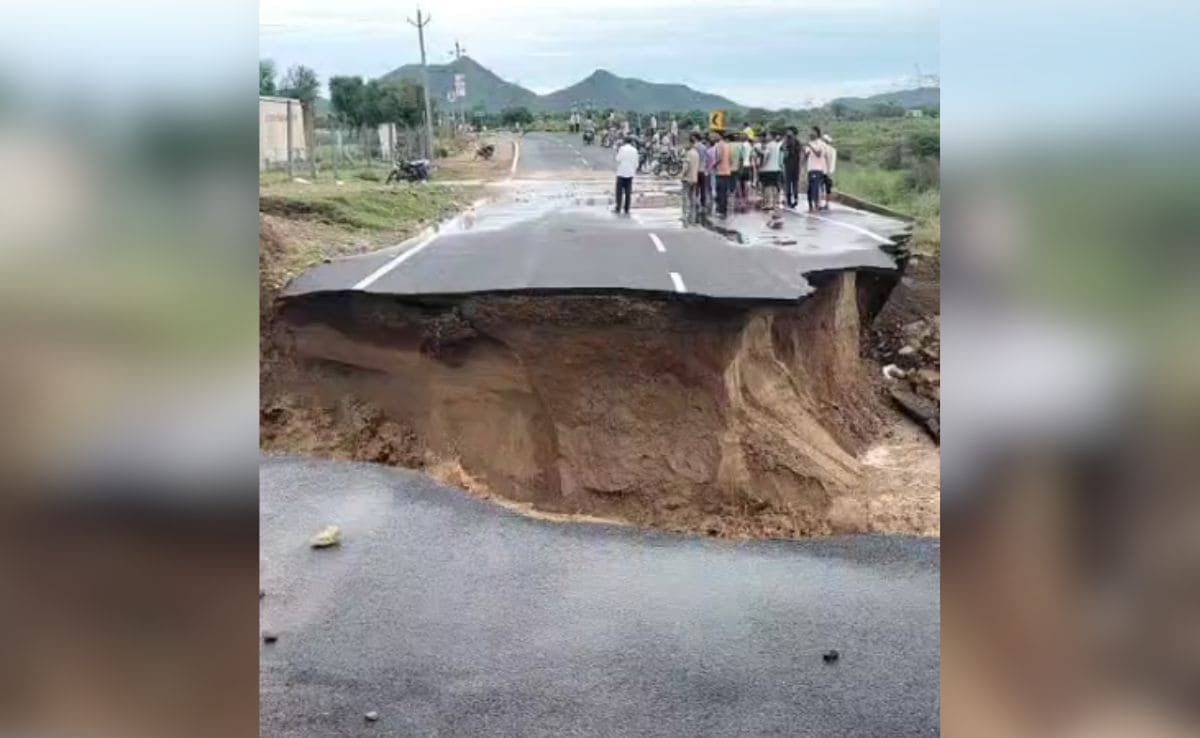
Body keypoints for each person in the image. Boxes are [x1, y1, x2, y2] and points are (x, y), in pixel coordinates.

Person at [804, 126, 830, 213]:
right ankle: (810, 206)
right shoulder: (809, 143)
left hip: (817, 169)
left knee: (815, 188)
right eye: (810, 132)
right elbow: (806, 156)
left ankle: (816, 206)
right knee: (810, 189)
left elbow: (818, 154)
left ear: (817, 133)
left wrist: (810, 146)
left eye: (813, 132)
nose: (811, 133)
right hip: (810, 168)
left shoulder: (820, 143)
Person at [759, 130, 784, 211]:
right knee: (775, 186)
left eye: (768, 135)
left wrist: (762, 166)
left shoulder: (768, 145)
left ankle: (768, 204)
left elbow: (766, 155)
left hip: (767, 169)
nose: (767, 137)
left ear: (771, 136)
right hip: (776, 168)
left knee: (767, 187)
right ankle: (775, 203)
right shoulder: (777, 145)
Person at [614, 136, 639, 215]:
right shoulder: (634, 150)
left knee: (619, 191)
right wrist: (633, 170)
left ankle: (618, 207)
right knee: (628, 192)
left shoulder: (622, 149)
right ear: (631, 142)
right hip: (630, 173)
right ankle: (626, 208)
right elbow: (636, 163)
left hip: (621, 172)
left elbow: (618, 159)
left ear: (624, 141)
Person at [711, 130, 734, 218]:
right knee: (724, 191)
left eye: (715, 134)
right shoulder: (728, 145)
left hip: (720, 171)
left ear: (719, 135)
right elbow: (731, 160)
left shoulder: (719, 145)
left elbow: (719, 157)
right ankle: (724, 210)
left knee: (720, 192)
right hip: (727, 171)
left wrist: (714, 164)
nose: (713, 136)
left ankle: (721, 210)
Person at [681, 132, 702, 224]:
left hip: (687, 178)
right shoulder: (696, 154)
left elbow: (686, 166)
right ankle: (692, 216)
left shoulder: (688, 154)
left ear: (690, 143)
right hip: (694, 178)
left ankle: (684, 215)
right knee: (693, 197)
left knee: (685, 197)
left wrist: (681, 175)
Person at [783, 127, 803, 209]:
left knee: (789, 183)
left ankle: (790, 200)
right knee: (793, 183)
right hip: (794, 165)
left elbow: (785, 154)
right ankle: (794, 199)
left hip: (790, 166)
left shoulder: (788, 142)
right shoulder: (797, 142)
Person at [694, 135, 711, 216]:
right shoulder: (705, 148)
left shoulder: (694, 147)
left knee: (696, 187)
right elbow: (708, 159)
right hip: (703, 170)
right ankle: (703, 204)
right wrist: (707, 168)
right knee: (703, 188)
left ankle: (696, 202)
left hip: (696, 170)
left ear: (696, 139)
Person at [820, 133, 838, 210]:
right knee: (828, 188)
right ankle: (827, 203)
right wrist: (831, 171)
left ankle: (821, 203)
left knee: (821, 188)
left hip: (823, 171)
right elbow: (833, 162)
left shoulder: (824, 149)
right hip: (829, 172)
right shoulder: (833, 150)